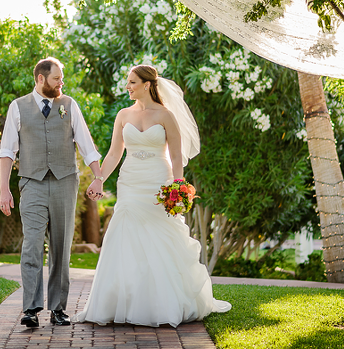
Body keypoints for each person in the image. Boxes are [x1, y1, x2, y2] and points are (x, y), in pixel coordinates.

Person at [75, 65, 231, 327]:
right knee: (126, 234)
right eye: (128, 82)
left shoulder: (166, 115)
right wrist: (99, 178)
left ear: (147, 85)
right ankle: (121, 301)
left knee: (160, 235)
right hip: (130, 181)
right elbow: (114, 153)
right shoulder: (123, 115)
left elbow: (177, 156)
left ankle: (163, 302)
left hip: (159, 181)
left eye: (132, 82)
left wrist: (178, 186)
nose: (128, 86)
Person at [0, 57, 104, 328]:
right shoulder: (18, 107)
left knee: (61, 247)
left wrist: (98, 176)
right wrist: (4, 190)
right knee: (32, 245)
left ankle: (58, 309)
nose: (61, 83)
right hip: (31, 183)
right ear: (40, 79)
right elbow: (8, 151)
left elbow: (86, 144)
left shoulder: (69, 105)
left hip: (64, 182)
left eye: (61, 78)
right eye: (57, 78)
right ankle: (31, 308)